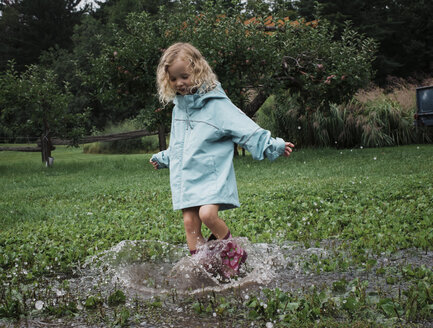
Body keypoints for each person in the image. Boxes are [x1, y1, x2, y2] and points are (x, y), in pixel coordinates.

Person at [150, 42, 294, 279]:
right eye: (174, 79)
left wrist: (272, 145)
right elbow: (179, 143)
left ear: (198, 71)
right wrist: (164, 157)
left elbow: (245, 128)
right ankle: (204, 268)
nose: (179, 83)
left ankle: (234, 254)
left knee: (207, 215)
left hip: (211, 174)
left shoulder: (216, 104)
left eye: (184, 76)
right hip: (187, 175)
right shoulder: (179, 109)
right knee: (189, 222)